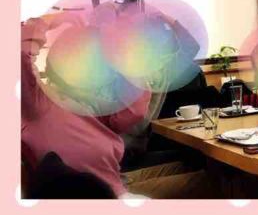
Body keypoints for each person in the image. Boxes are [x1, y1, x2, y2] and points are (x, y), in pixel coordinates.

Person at [21, 10, 216, 198]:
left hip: (116, 178)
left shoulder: (89, 102)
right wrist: (53, 19)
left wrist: (158, 20)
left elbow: (131, 115)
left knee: (199, 166)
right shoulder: (40, 102)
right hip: (111, 190)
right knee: (208, 179)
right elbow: (20, 52)